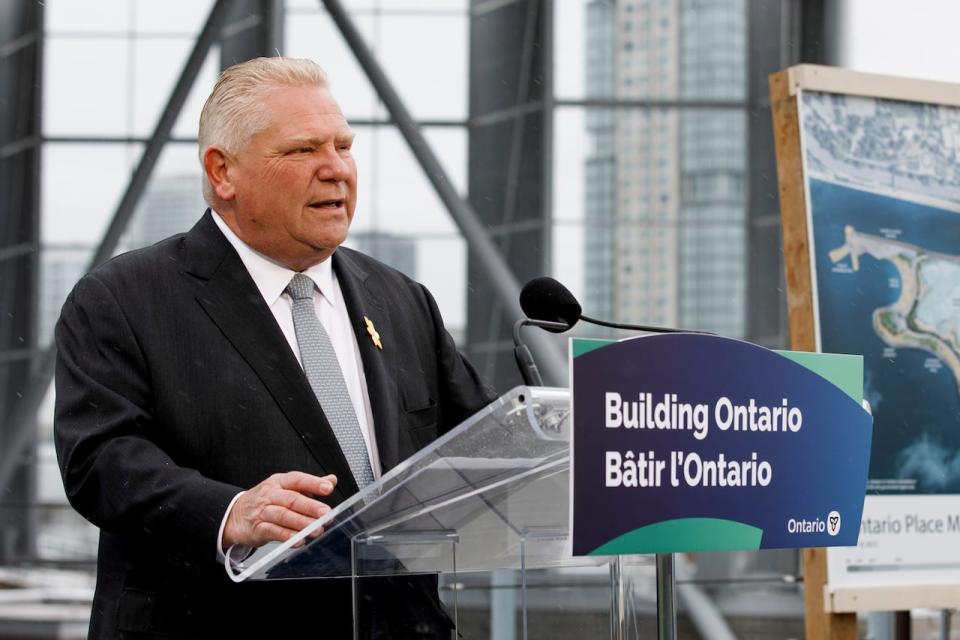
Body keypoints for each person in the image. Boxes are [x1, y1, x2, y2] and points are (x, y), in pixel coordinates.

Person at [54, 57, 495, 639]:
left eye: (344, 145)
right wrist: (229, 513)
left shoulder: (400, 298)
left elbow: (484, 445)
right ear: (223, 172)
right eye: (303, 150)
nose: (336, 169)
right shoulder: (123, 299)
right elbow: (100, 460)